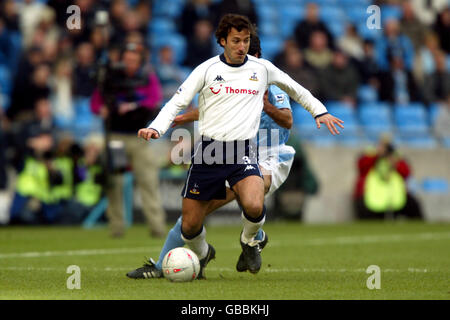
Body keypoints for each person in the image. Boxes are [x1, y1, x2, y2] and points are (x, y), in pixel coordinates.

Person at [137, 14, 343, 278]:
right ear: (222, 41)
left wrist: (320, 112)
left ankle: (249, 241)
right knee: (190, 225)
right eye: (236, 40)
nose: (242, 46)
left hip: (243, 151)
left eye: (245, 40)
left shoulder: (262, 69)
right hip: (209, 153)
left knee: (254, 204)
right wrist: (157, 127)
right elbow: (177, 101)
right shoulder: (207, 70)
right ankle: (202, 254)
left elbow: (297, 90)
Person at [127, 34, 296, 279]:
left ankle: (250, 240)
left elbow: (288, 120)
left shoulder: (273, 85)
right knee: (195, 215)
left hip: (269, 154)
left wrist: (265, 105)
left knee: (254, 191)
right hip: (234, 152)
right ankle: (245, 241)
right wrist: (181, 118)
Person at [90, 43, 167, 238]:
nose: (130, 64)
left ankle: (157, 226)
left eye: (134, 60)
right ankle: (116, 227)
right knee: (114, 182)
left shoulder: (147, 77)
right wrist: (103, 109)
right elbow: (96, 102)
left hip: (140, 136)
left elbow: (154, 100)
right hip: (116, 136)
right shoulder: (111, 78)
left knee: (148, 180)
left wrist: (133, 106)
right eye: (127, 60)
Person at [353, 136, 423, 220]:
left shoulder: (396, 157)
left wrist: (394, 162)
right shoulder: (370, 155)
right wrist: (375, 155)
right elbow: (361, 167)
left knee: (413, 205)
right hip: (371, 196)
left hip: (394, 196)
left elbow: (406, 173)